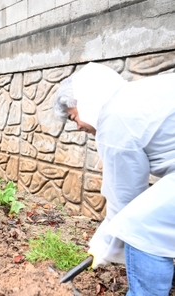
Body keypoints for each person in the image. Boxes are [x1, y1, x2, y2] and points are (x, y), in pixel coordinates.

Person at [53, 62, 175, 295]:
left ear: (83, 102)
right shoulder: (132, 98)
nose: (78, 126)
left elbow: (126, 200)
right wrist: (104, 241)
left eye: (73, 117)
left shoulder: (115, 119)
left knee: (142, 225)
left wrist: (104, 246)